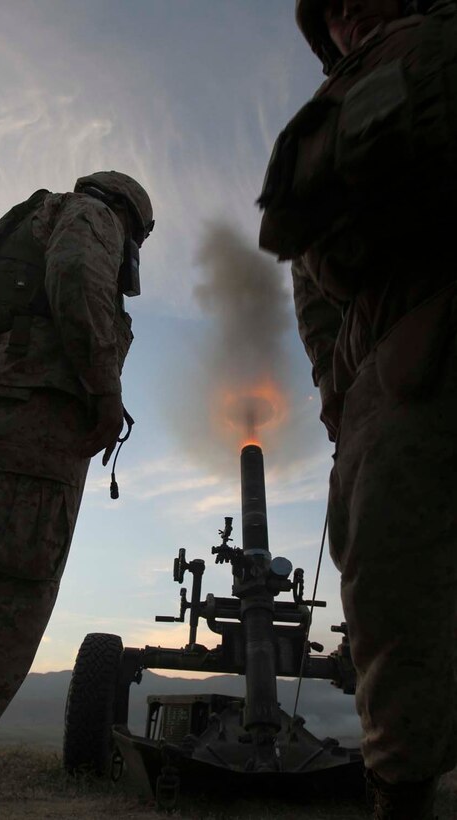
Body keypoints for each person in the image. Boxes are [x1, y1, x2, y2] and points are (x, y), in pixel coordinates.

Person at [258, 1, 457, 818]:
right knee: (390, 599)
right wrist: (340, 395)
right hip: (396, 365)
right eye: (330, 7)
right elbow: (310, 286)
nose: (350, 12)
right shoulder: (328, 129)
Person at [0, 171, 154, 819]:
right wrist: (103, 387)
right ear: (132, 219)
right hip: (30, 409)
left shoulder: (27, 222)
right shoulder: (92, 216)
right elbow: (76, 275)